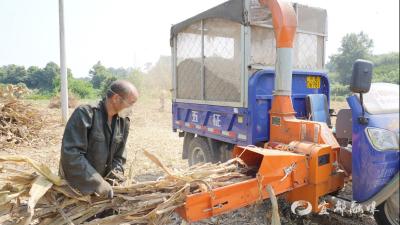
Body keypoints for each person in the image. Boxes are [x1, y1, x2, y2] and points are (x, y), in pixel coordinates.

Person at [59, 80, 138, 199]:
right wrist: (97, 183)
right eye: (131, 103)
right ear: (116, 98)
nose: (131, 108)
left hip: (104, 191)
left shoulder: (123, 121)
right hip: (78, 190)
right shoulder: (85, 114)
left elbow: (119, 156)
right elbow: (71, 155)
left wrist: (114, 181)